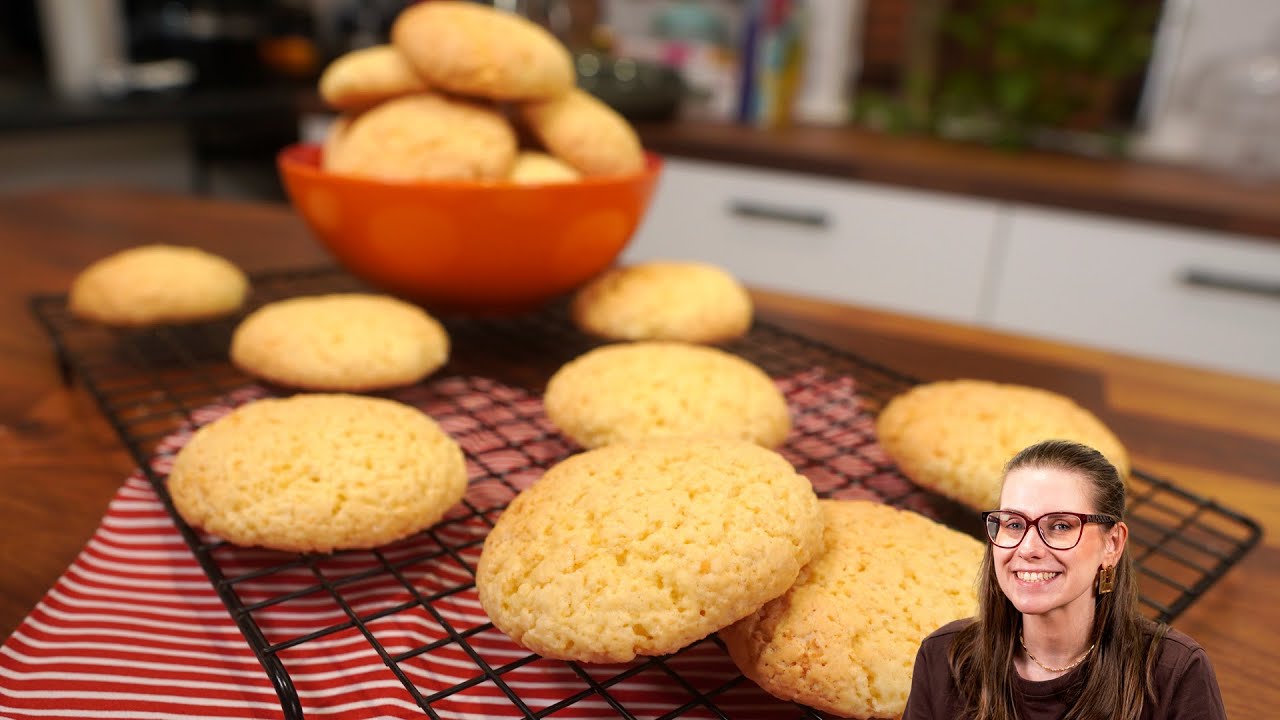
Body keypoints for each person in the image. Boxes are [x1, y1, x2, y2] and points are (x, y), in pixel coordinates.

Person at [903, 439, 1227, 720]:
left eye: (1060, 526)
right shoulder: (944, 656)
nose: (1028, 548)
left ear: (1112, 544)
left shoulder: (1174, 673)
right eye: (1013, 524)